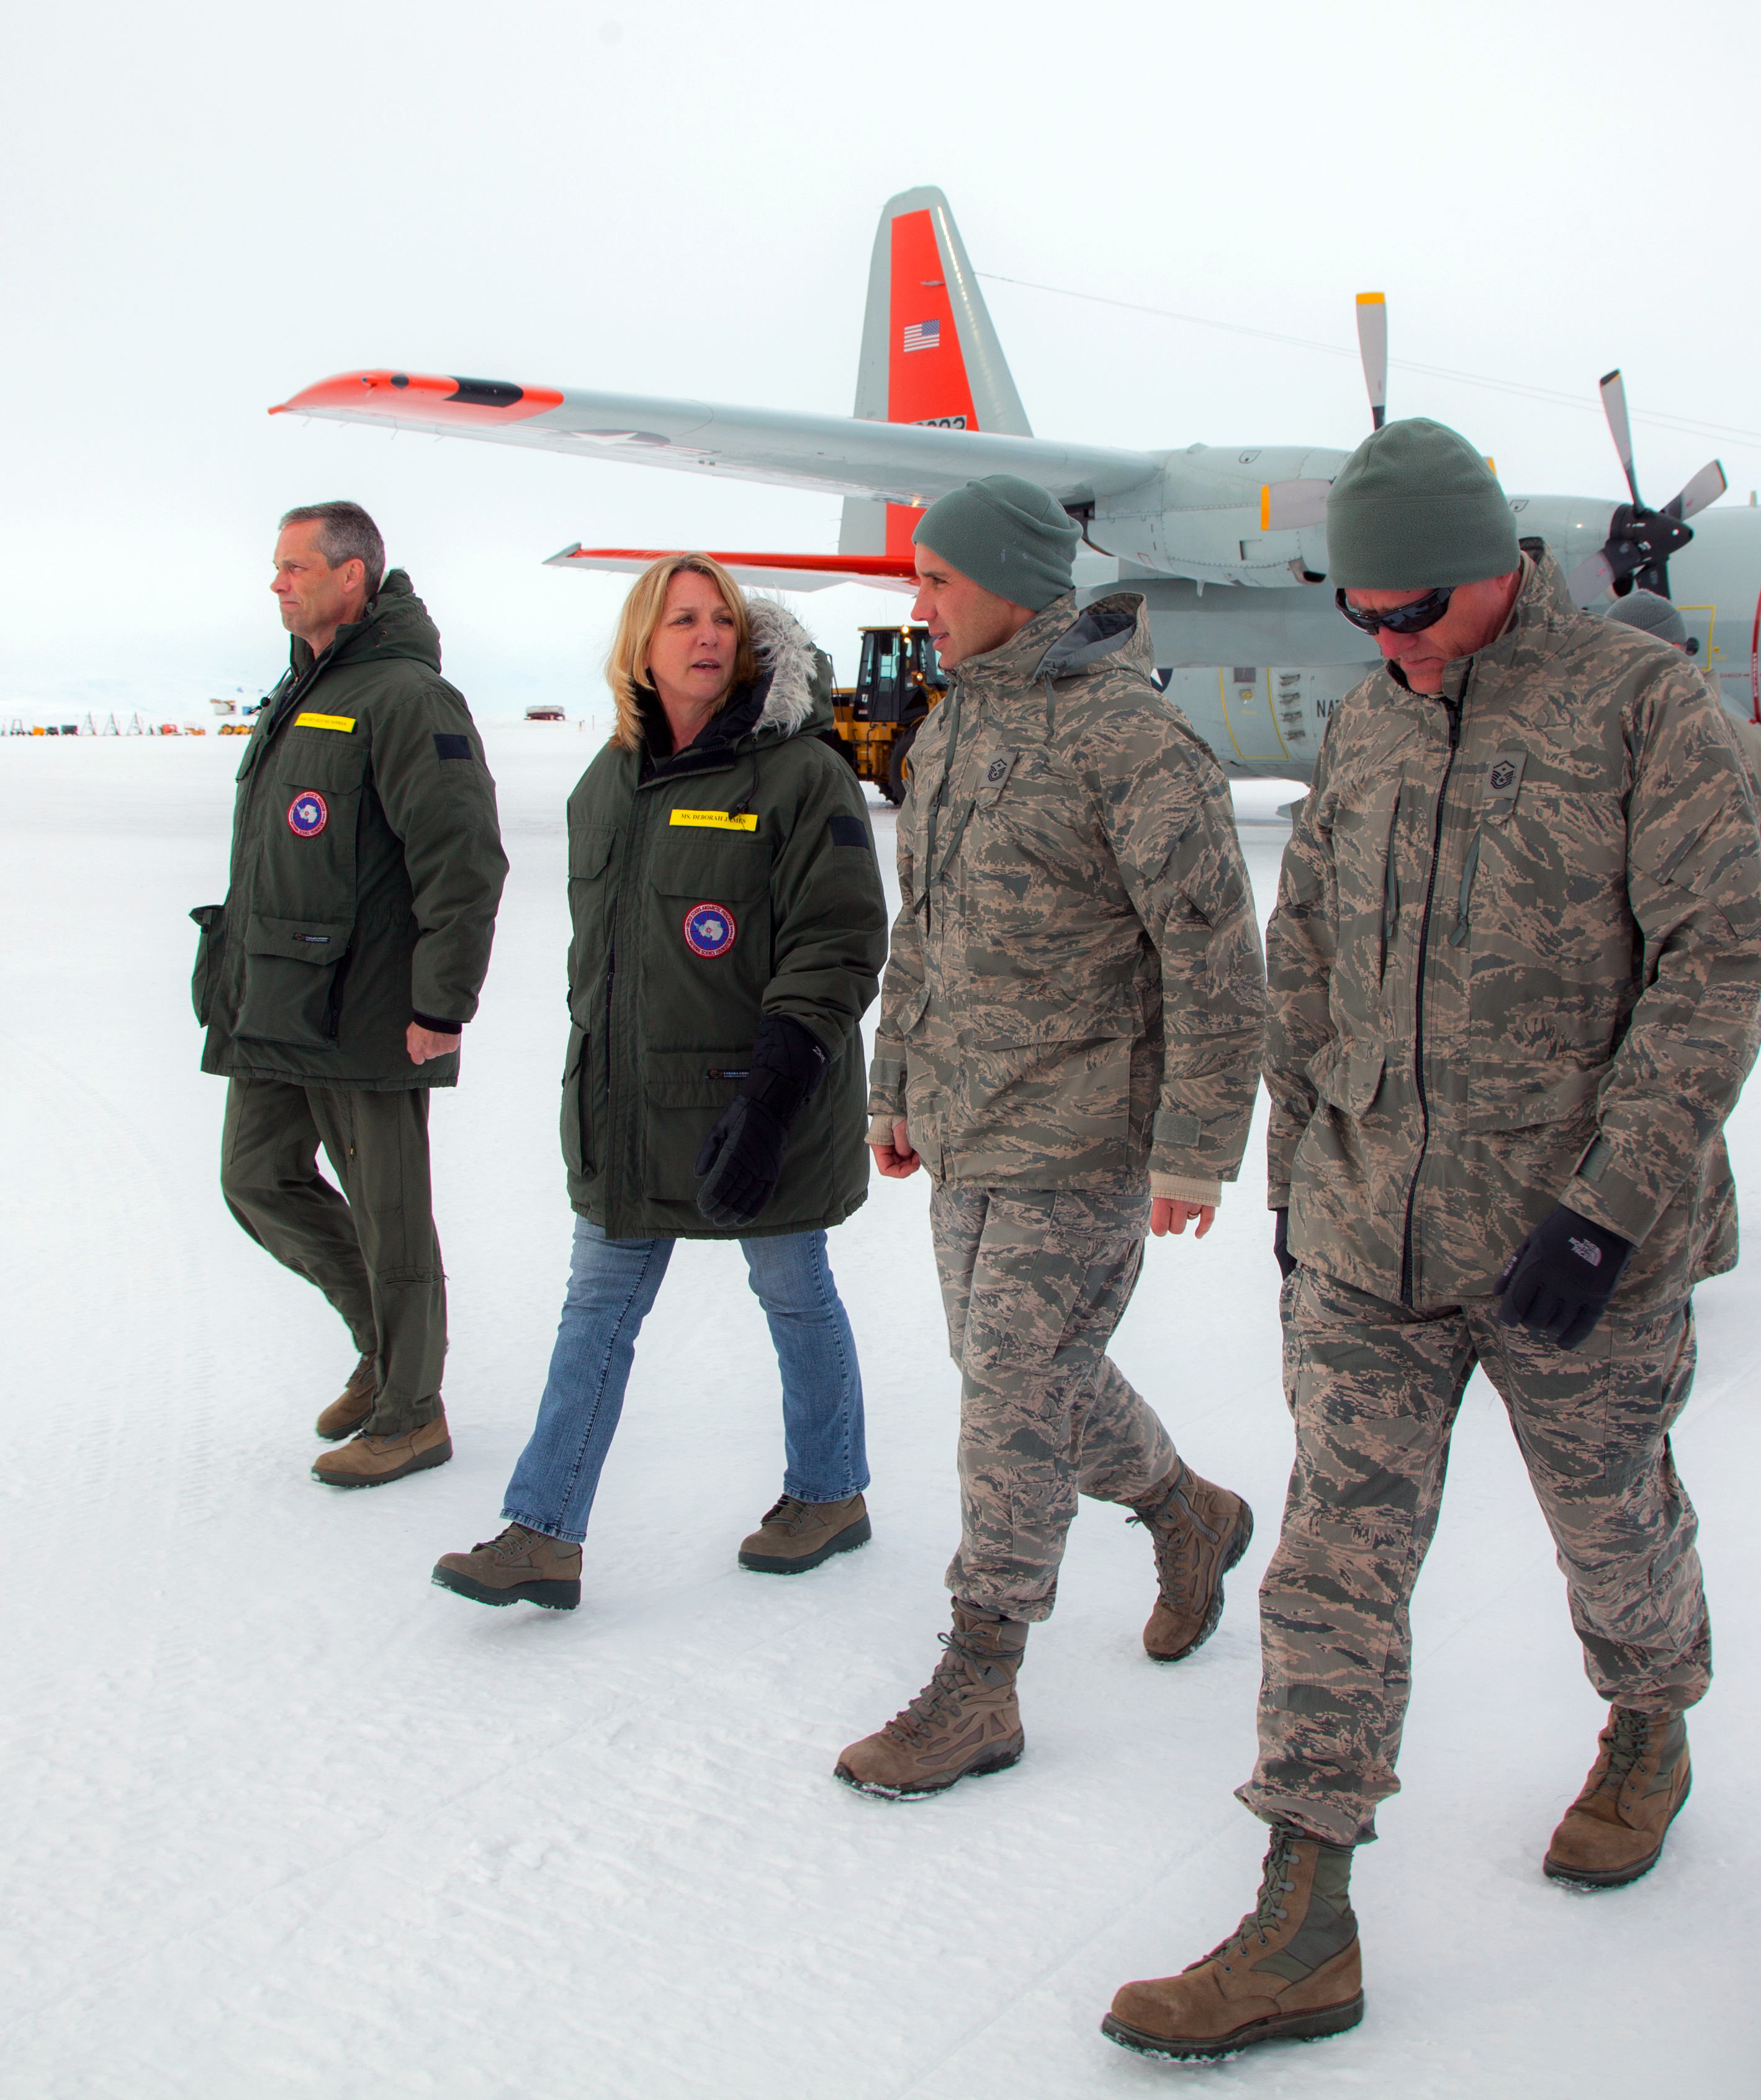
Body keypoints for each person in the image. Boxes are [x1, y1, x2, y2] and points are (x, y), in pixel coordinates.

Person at [1104, 421, 1761, 2061]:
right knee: (1333, 1566)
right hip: (1365, 1235)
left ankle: (1647, 1719)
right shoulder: (1368, 722)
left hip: (1570, 1250)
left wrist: (1610, 1206)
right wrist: (1290, 1186)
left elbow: (1711, 969)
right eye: (1362, 617)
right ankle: (1301, 1909)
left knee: (1611, 1522)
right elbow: (1307, 949)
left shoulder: (1637, 708)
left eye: (1412, 612)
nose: (1387, 643)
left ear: (1496, 568)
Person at [837, 475, 1265, 1799]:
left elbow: (1215, 960)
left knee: (1012, 1390)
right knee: (1014, 1365)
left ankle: (981, 1676)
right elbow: (926, 929)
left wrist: (1195, 1145)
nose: (917, 605)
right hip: (966, 1119)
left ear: (1015, 585)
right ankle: (1186, 1512)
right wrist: (893, 1081)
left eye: (937, 581)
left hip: (1084, 1134)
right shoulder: (954, 730)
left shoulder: (1132, 745)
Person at [431, 556, 887, 1609]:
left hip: (755, 1101)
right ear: (641, 644)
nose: (707, 635)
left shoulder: (798, 773)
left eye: (720, 617)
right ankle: (542, 1532)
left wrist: (773, 1098)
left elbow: (837, 940)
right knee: (595, 1307)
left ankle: (828, 1492)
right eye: (681, 619)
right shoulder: (610, 781)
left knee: (790, 1288)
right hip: (634, 1107)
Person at [194, 503, 506, 1487]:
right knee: (257, 1177)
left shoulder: (409, 697)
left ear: (353, 578)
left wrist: (440, 1004)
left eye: (295, 566)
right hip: (283, 1003)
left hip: (369, 1009)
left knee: (392, 1216)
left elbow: (463, 861)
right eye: (277, 566)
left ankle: (413, 1411)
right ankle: (384, 1347)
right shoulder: (306, 688)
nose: (278, 583)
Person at [1608, 590, 1761, 1035]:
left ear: (1680, 654)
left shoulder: (1739, 744)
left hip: (1704, 996)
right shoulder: (1582, 746)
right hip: (1594, 993)